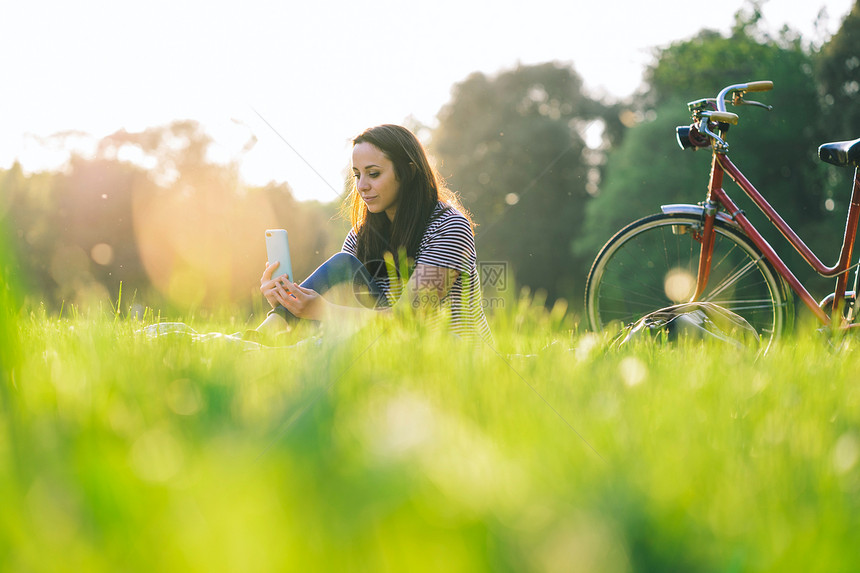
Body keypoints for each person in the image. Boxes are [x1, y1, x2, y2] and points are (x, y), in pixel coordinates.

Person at [256, 124, 492, 344]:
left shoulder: (449, 227)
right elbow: (348, 317)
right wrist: (287, 302)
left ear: (408, 172)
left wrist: (320, 309)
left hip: (452, 350)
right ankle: (259, 337)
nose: (361, 186)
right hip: (391, 346)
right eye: (357, 175)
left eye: (374, 174)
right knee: (343, 267)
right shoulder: (361, 235)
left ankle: (258, 340)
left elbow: (409, 318)